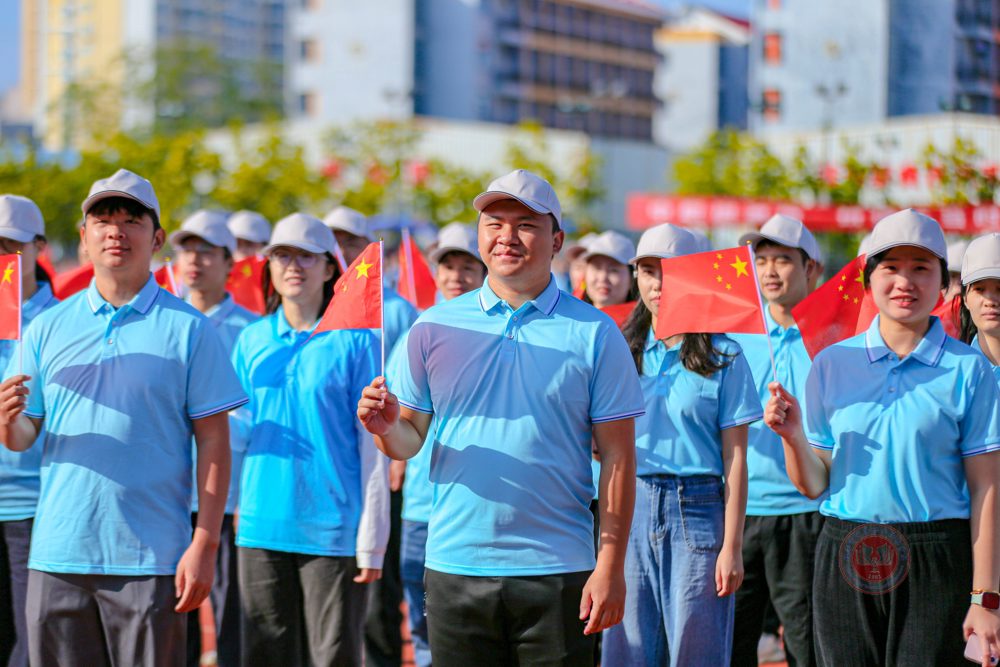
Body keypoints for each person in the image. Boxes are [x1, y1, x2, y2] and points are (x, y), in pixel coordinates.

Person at [358, 169, 644, 666]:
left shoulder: (596, 333)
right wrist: (385, 427)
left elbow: (618, 455)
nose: (507, 237)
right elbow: (408, 442)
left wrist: (611, 565)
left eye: (525, 225)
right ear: (479, 235)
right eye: (494, 223)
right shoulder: (433, 326)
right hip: (455, 564)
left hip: (559, 568)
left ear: (556, 240)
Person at [0, 168, 246, 666]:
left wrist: (205, 542)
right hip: (57, 555)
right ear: (84, 239)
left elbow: (215, 444)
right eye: (103, 219)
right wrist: (6, 421)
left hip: (150, 558)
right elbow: (27, 434)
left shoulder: (190, 330)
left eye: (131, 220)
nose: (116, 230)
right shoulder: (47, 327)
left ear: (156, 238)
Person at [765, 209, 1000, 666]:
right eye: (891, 268)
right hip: (843, 551)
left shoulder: (970, 371)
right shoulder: (832, 364)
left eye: (920, 269)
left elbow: (987, 489)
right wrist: (793, 437)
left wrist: (985, 597)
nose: (905, 282)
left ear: (943, 283)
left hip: (936, 558)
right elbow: (814, 483)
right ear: (870, 279)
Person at [232, 213, 389, 666]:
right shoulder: (251, 340)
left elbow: (372, 448)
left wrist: (372, 536)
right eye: (282, 255)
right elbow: (234, 435)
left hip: (332, 530)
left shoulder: (359, 342)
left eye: (306, 255)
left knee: (333, 659)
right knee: (264, 656)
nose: (292, 265)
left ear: (329, 267)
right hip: (260, 524)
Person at [602, 223, 760, 666]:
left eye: (669, 271)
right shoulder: (619, 348)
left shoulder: (724, 354)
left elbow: (737, 457)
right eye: (648, 271)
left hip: (699, 511)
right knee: (626, 648)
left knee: (698, 650)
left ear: (696, 276)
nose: (657, 284)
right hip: (629, 504)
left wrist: (732, 546)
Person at [322, 204, 416, 666]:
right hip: (333, 464)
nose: (341, 250)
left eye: (349, 241)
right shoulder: (326, 308)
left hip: (380, 460)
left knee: (378, 582)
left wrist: (396, 455)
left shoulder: (397, 312)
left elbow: (411, 393)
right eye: (332, 241)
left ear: (366, 249)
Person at [729, 214, 824, 667]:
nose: (769, 271)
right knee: (732, 638)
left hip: (805, 512)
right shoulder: (734, 334)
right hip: (737, 513)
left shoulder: (833, 339)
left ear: (812, 270)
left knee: (806, 641)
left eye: (783, 259)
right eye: (760, 259)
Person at [392, 221, 486, 667]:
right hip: (419, 505)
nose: (457, 275)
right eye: (449, 265)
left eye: (468, 265)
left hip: (471, 508)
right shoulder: (419, 331)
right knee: (422, 623)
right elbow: (396, 424)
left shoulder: (493, 336)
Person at [171, 210, 259, 667]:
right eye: (187, 250)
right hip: (167, 490)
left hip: (230, 492)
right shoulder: (164, 320)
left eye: (207, 252)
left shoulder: (251, 329)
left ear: (231, 263)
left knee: (231, 612)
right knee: (173, 611)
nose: (195, 261)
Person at [0, 195, 57, 667]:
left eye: (9, 245)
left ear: (40, 247)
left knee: (32, 641)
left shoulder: (62, 323)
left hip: (34, 504)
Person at [581, 230, 637, 313]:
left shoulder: (647, 324)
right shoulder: (570, 317)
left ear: (631, 278)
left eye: (613, 270)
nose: (602, 277)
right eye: (596, 268)